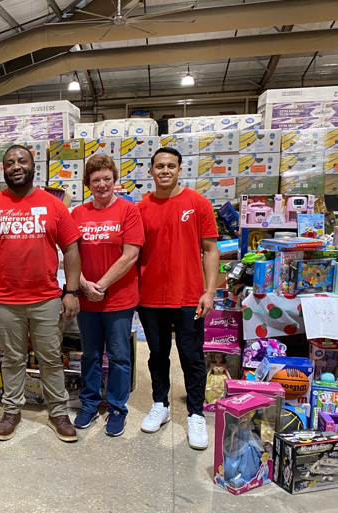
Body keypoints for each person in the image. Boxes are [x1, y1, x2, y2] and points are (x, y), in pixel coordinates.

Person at [0, 145, 82, 443]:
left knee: (50, 359)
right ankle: (11, 411)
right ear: (2, 169)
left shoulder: (53, 205)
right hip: (5, 300)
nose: (16, 166)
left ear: (33, 167)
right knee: (12, 359)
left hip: (46, 297)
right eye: (9, 162)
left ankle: (58, 412)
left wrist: (71, 291)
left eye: (22, 161)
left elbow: (71, 248)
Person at [137, 147, 219, 450]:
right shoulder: (141, 207)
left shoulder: (198, 204)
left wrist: (209, 291)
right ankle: (160, 404)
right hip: (149, 296)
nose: (165, 171)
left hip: (188, 296)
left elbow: (211, 250)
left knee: (191, 357)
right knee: (157, 355)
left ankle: (195, 414)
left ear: (180, 169)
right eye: (159, 166)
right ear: (151, 171)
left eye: (171, 166)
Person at [71, 155, 144, 437]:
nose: (101, 185)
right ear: (87, 183)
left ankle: (116, 408)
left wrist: (99, 285)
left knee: (118, 355)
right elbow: (69, 255)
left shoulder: (129, 211)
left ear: (115, 180)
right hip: (87, 299)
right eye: (95, 180)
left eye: (106, 179)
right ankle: (88, 404)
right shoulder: (77, 214)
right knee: (89, 355)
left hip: (118, 300)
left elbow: (131, 255)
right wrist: (83, 284)